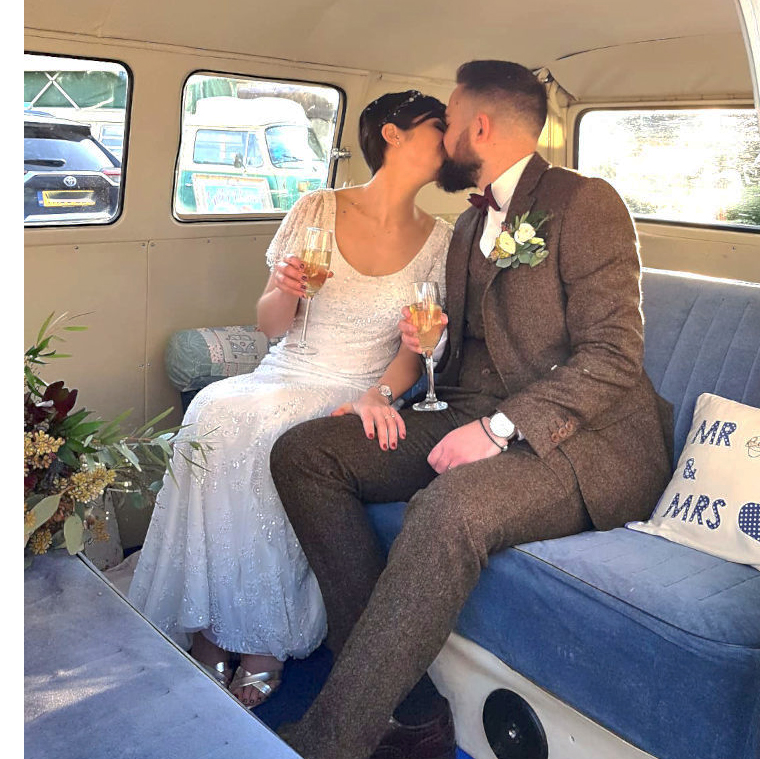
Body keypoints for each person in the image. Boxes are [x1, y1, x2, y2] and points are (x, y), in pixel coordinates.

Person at [270, 61, 677, 759]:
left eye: (450, 124)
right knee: (307, 453)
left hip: (583, 441)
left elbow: (613, 355)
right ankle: (410, 704)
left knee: (448, 507)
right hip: (471, 407)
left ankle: (329, 739)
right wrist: (386, 389)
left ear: (479, 128)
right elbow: (453, 347)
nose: (444, 140)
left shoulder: (587, 205)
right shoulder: (465, 225)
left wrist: (497, 430)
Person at [125, 90, 453, 708]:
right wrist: (283, 287)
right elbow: (271, 325)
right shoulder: (315, 207)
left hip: (356, 386)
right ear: (394, 134)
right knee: (213, 410)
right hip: (286, 365)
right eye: (440, 128)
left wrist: (379, 393)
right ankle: (213, 627)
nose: (450, 141)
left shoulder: (441, 238)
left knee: (258, 426)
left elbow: (417, 343)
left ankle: (261, 644)